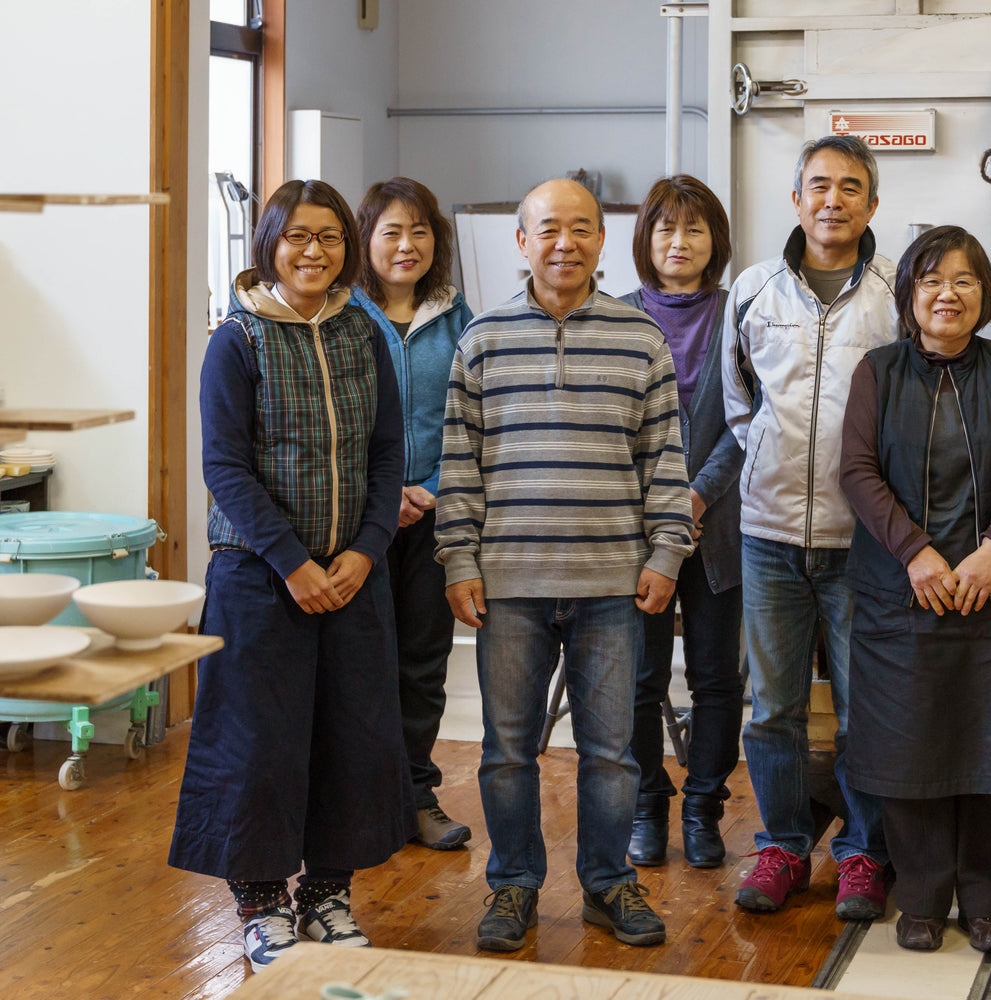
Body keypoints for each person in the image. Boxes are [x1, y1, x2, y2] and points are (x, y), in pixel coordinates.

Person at [435, 178, 695, 952]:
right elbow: (459, 462)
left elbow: (664, 459)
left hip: (613, 585)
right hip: (508, 586)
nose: (565, 243)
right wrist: (457, 558)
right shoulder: (481, 338)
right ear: (521, 242)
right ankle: (514, 886)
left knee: (612, 754)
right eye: (548, 229)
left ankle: (608, 884)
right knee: (507, 752)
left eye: (581, 228)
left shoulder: (639, 337)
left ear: (601, 240)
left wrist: (667, 552)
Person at [169, 179, 410, 974]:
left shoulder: (363, 335)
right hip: (259, 578)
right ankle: (262, 905)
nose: (314, 252)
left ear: (349, 248)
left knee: (352, 737)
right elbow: (224, 468)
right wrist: (294, 562)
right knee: (257, 746)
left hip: (352, 576)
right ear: (269, 242)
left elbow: (385, 459)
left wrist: (366, 550)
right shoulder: (236, 340)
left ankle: (329, 897)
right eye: (298, 236)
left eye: (331, 237)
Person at [839, 226, 991, 953]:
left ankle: (990, 898)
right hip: (900, 595)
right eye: (932, 279)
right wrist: (917, 555)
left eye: (964, 280)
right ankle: (923, 895)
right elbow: (858, 472)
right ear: (909, 296)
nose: (947, 294)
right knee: (908, 751)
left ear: (984, 294)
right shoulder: (879, 372)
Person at [721, 135, 896, 919]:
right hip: (766, 537)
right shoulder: (754, 289)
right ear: (795, 199)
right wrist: (762, 459)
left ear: (871, 204)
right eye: (818, 185)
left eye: (850, 186)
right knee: (773, 709)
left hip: (863, 541)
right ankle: (784, 847)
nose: (833, 199)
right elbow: (736, 402)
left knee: (867, 708)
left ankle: (863, 856)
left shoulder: (898, 292)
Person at [619, 176, 745, 870]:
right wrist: (655, 507)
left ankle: (702, 806)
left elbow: (748, 419)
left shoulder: (741, 312)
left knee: (716, 677)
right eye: (666, 228)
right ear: (646, 240)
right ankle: (646, 805)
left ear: (713, 241)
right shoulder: (615, 315)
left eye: (694, 229)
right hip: (632, 532)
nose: (679, 242)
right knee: (639, 679)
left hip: (720, 525)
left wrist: (696, 495)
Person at [352, 177, 475, 850]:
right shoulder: (341, 312)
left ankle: (416, 793)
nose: (406, 245)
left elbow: (470, 421)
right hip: (357, 520)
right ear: (366, 240)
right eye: (391, 231)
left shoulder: (460, 318)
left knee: (423, 661)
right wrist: (381, 495)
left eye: (420, 230)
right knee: (362, 658)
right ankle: (361, 798)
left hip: (433, 512)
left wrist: (427, 486)